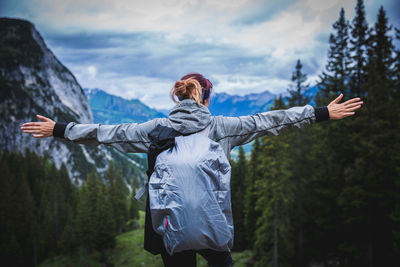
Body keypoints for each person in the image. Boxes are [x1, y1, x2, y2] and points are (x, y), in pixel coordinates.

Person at [21, 72, 363, 266]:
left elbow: (109, 134)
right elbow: (270, 121)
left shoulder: (156, 128)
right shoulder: (222, 127)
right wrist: (320, 113)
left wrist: (59, 129)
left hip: (172, 230)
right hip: (216, 232)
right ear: (206, 98)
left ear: (178, 100)